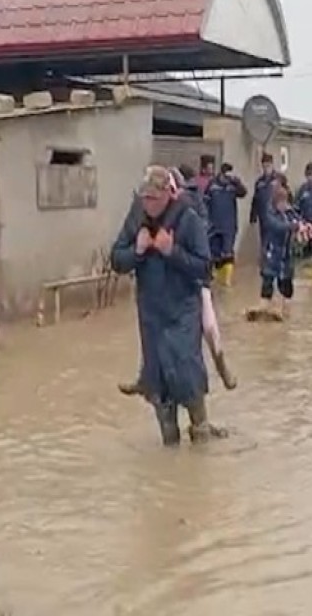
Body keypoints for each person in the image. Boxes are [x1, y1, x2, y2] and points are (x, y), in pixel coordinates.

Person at [111, 166, 224, 446]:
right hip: (151, 313)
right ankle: (169, 447)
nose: (148, 204)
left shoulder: (188, 219)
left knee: (187, 375)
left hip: (182, 310)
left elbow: (204, 268)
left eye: (153, 198)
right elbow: (117, 259)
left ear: (167, 195)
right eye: (144, 198)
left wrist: (171, 251)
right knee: (158, 384)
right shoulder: (137, 217)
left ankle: (201, 433)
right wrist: (137, 251)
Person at [251, 174, 306, 321]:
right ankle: (263, 308)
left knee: (286, 283)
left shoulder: (290, 212)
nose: (283, 206)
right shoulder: (269, 214)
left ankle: (285, 310)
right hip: (272, 252)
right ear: (275, 203)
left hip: (286, 255)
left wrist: (304, 227)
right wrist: (294, 226)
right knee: (267, 280)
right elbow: (277, 226)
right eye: (281, 203)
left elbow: (300, 221)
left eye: (285, 202)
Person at [204, 162, 248, 286]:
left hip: (229, 224)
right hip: (214, 224)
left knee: (228, 252)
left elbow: (243, 193)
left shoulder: (233, 185)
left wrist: (237, 182)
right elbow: (205, 201)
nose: (227, 178)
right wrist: (206, 220)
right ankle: (212, 277)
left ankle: (226, 280)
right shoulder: (212, 184)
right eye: (226, 175)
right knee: (213, 252)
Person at [248, 152, 278, 240]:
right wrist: (253, 217)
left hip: (276, 217)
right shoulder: (259, 182)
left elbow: (287, 196)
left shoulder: (278, 179)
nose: (266, 169)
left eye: (268, 166)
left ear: (272, 165)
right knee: (264, 241)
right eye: (264, 166)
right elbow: (255, 200)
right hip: (263, 217)